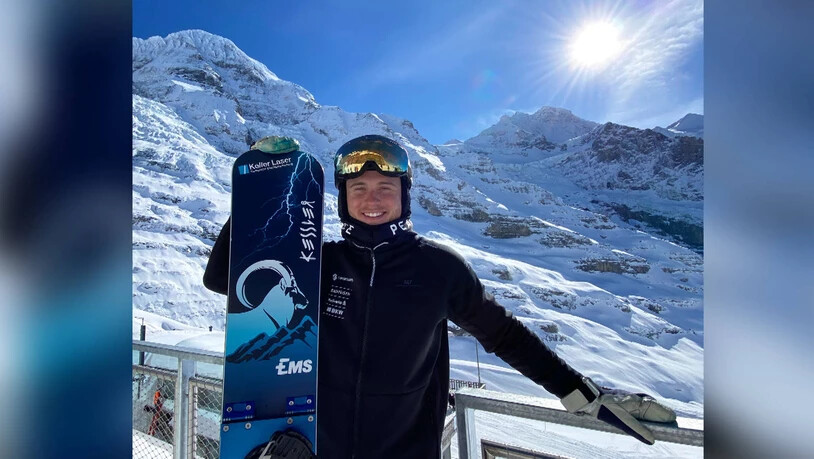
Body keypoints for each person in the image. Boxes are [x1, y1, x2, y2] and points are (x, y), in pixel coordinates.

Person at [203, 135, 677, 458]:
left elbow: (506, 336)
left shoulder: (438, 267)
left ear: (403, 196)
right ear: (344, 198)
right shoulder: (318, 263)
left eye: (385, 188)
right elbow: (224, 279)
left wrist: (582, 394)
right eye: (360, 188)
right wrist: (258, 193)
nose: (372, 199)